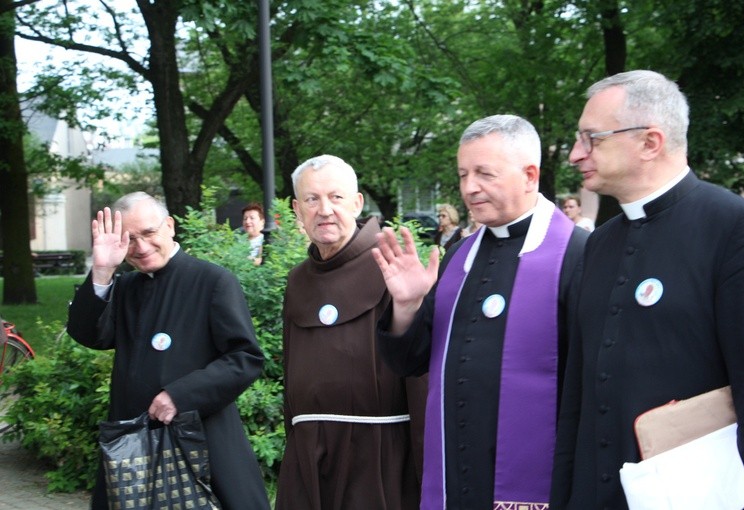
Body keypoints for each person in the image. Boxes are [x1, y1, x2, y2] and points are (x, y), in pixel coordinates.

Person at [550, 70, 744, 509]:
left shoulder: (738, 230)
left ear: (651, 142)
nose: (576, 154)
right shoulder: (599, 244)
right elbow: (578, 395)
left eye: (592, 139)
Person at [373, 115, 588, 509]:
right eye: (463, 174)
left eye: (484, 174)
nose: (469, 188)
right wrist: (406, 307)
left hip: (544, 474)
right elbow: (410, 362)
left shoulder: (578, 255)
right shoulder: (460, 256)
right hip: (457, 466)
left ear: (529, 175)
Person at [67, 192, 269, 509]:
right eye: (129, 239)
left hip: (201, 436)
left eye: (148, 233)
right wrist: (102, 272)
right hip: (133, 441)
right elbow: (87, 334)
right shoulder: (126, 287)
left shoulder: (213, 281)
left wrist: (181, 394)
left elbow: (245, 358)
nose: (142, 247)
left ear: (170, 226)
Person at [276, 155, 427, 510]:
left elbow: (421, 378)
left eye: (336, 197)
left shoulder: (393, 267)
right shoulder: (298, 280)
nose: (324, 209)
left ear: (357, 202)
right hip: (308, 455)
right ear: (297, 209)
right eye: (311, 199)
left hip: (379, 455)